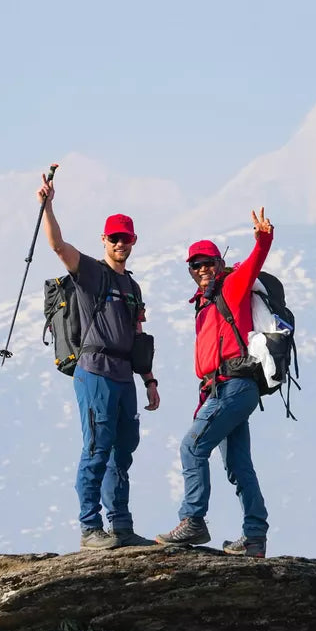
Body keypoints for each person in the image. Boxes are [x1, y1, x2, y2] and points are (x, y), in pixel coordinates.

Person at [37, 173, 161, 550]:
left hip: (124, 375)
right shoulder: (93, 273)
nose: (120, 243)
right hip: (94, 372)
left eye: (126, 238)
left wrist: (150, 380)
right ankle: (90, 527)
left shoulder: (132, 287)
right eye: (114, 238)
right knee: (96, 448)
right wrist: (48, 205)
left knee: (122, 450)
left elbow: (138, 336)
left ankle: (121, 526)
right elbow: (58, 246)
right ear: (104, 241)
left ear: (134, 242)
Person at [156, 207, 275, 558]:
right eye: (196, 265)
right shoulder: (204, 304)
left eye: (208, 262)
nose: (203, 269)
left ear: (219, 264)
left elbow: (255, 262)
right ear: (190, 271)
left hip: (235, 385)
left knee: (191, 448)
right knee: (239, 465)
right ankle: (254, 536)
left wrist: (263, 238)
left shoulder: (232, 287)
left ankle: (193, 519)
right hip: (225, 388)